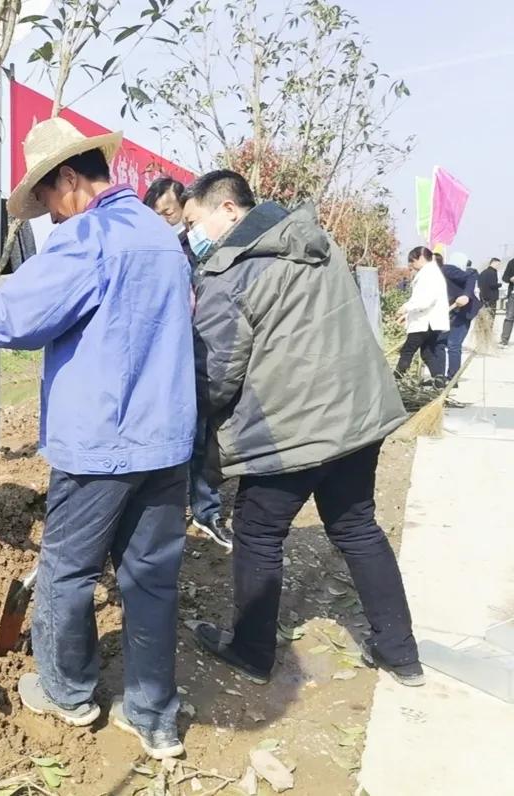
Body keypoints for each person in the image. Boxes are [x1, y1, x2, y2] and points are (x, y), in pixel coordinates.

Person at [0, 118, 196, 758]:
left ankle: (67, 691)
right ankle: (154, 716)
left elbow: (21, 318)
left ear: (69, 181)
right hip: (166, 440)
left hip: (102, 442)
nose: (48, 218)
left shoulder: (89, 234)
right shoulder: (160, 234)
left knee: (67, 572)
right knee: (151, 578)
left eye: (46, 203)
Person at [182, 170, 424, 688]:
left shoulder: (234, 271)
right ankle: (401, 653)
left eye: (193, 221)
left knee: (257, 532)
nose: (190, 235)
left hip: (290, 432)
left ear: (227, 210)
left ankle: (250, 650)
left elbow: (216, 374)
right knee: (357, 527)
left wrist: (189, 428)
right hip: (356, 418)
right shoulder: (317, 243)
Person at [143, 178, 230, 550]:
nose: (166, 221)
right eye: (157, 216)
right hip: (175, 356)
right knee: (183, 438)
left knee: (204, 438)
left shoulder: (202, 247)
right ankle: (171, 509)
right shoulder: (163, 250)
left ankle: (206, 510)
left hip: (210, 352)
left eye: (170, 213)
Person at [394, 247, 451, 386]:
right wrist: (407, 315)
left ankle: (396, 378)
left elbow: (425, 300)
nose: (411, 265)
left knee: (407, 350)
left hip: (424, 321)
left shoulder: (429, 274)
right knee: (427, 353)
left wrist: (405, 308)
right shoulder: (431, 272)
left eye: (412, 261)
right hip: (429, 322)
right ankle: (439, 380)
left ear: (420, 257)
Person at [439, 252, 480, 380]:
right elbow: (472, 274)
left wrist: (466, 296)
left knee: (450, 344)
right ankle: (448, 377)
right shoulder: (449, 270)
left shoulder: (447, 269)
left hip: (461, 312)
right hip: (455, 312)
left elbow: (471, 275)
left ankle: (448, 377)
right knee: (449, 344)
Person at [502, 258, 514, 347]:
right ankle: (504, 340)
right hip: (513, 295)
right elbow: (504, 278)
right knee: (509, 317)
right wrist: (510, 279)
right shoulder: (512, 262)